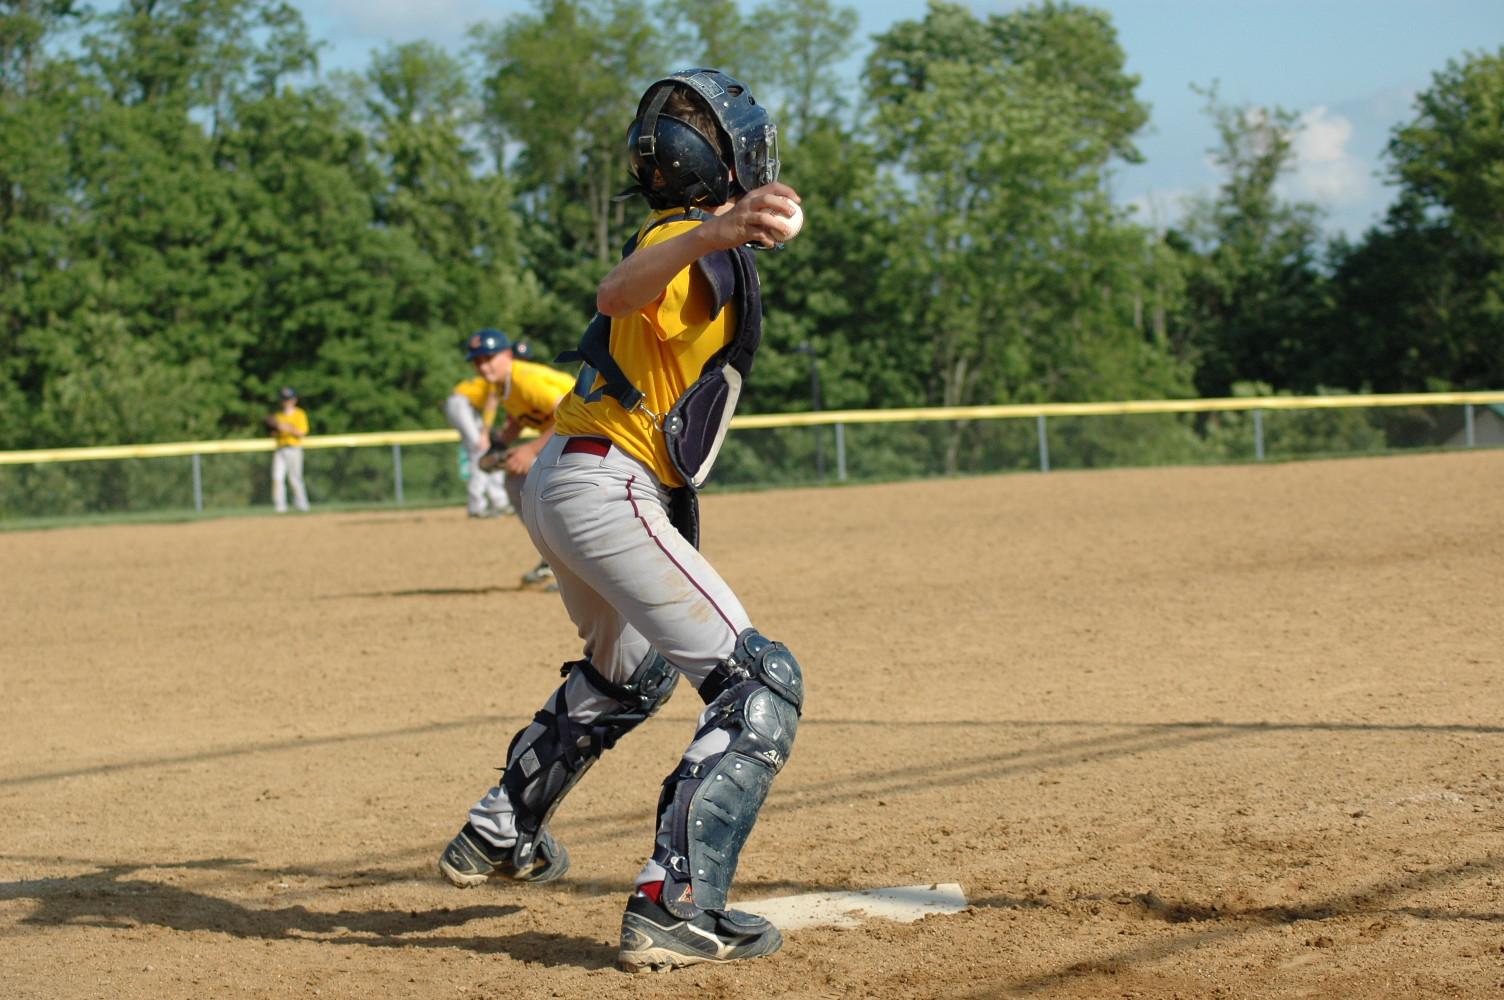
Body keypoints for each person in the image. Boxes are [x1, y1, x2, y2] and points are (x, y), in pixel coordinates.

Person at [437, 69, 805, 973]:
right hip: (603, 485)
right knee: (760, 685)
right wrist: (714, 229)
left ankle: (500, 831)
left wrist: (723, 233)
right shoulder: (684, 238)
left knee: (628, 677)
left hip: (570, 480)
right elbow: (616, 292)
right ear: (720, 163)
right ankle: (675, 902)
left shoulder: (693, 241)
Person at [459, 327, 576, 587]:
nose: (483, 366)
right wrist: (500, 445)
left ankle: (574, 565)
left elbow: (570, 413)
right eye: (477, 360)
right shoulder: (501, 385)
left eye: (489, 358)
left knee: (556, 491)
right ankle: (553, 556)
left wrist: (531, 449)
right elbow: (519, 418)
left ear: (508, 355)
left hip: (594, 431)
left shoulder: (523, 379)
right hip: (568, 436)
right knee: (516, 480)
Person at [443, 337, 515, 519]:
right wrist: (484, 434)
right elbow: (491, 405)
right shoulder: (496, 378)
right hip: (461, 403)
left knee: (487, 451)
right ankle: (477, 505)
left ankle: (498, 501)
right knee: (481, 450)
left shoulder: (510, 380)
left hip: (468, 407)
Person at [267, 387, 310, 513]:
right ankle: (280, 507)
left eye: (289, 399)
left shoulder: (299, 414)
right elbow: (275, 432)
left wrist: (285, 427)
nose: (286, 402)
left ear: (294, 400)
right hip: (280, 449)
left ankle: (302, 505)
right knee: (277, 477)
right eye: (284, 399)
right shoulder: (278, 416)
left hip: (294, 449)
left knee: (295, 478)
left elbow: (302, 433)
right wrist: (274, 430)